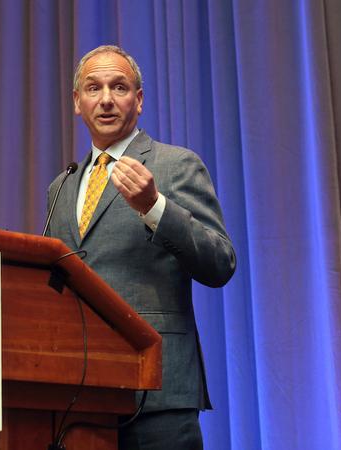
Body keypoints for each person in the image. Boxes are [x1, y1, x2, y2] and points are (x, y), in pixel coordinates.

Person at [45, 45, 236, 450]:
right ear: (77, 103)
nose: (107, 99)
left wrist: (155, 207)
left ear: (140, 99)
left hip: (157, 391)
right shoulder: (61, 187)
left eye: (120, 87)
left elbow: (220, 262)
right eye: (93, 89)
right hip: (79, 396)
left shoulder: (175, 165)